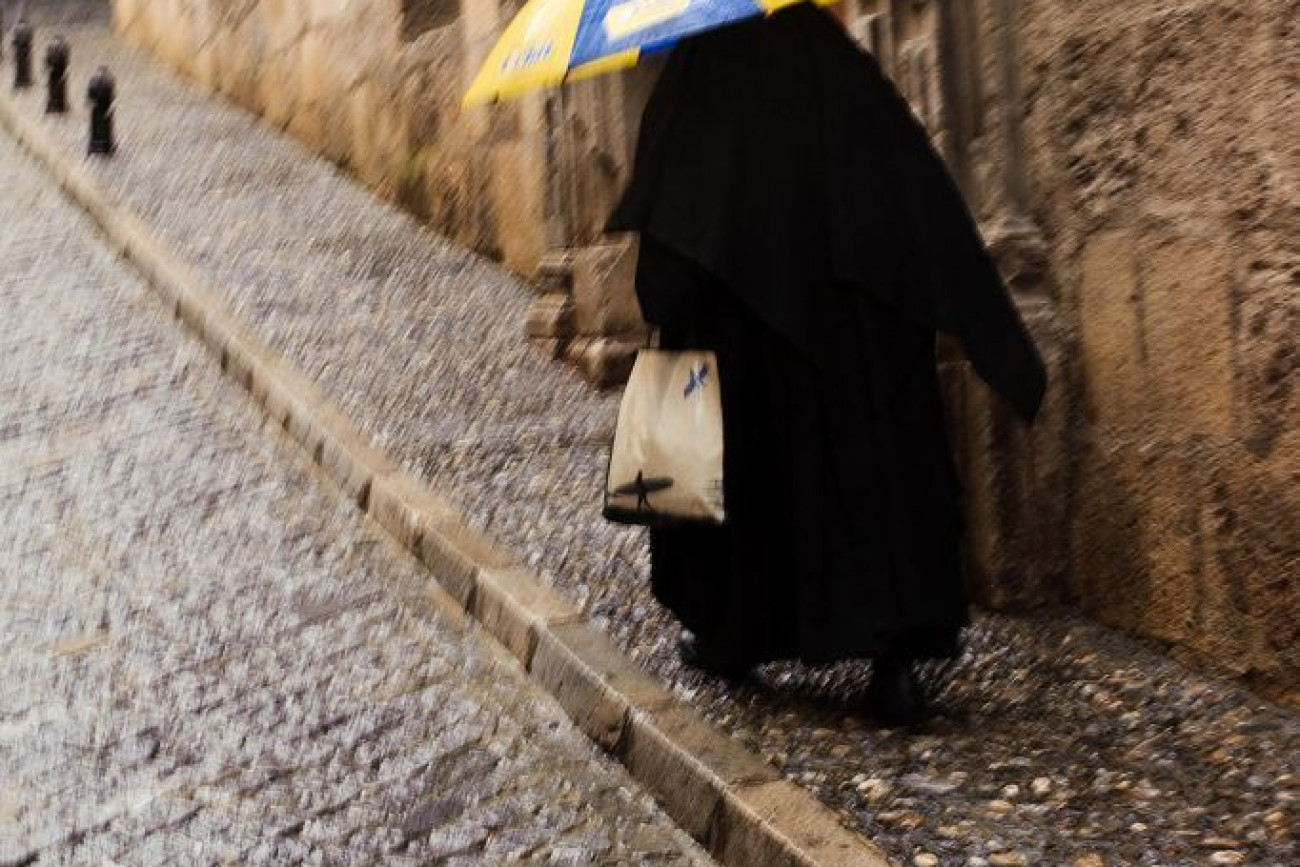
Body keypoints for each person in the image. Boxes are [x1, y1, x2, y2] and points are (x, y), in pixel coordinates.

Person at [606, 4, 1046, 726]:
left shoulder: (696, 78)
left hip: (747, 347)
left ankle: (731, 634)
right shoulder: (837, 64)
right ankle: (891, 667)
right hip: (852, 336)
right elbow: (917, 200)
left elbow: (666, 264)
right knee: (871, 481)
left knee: (744, 481)